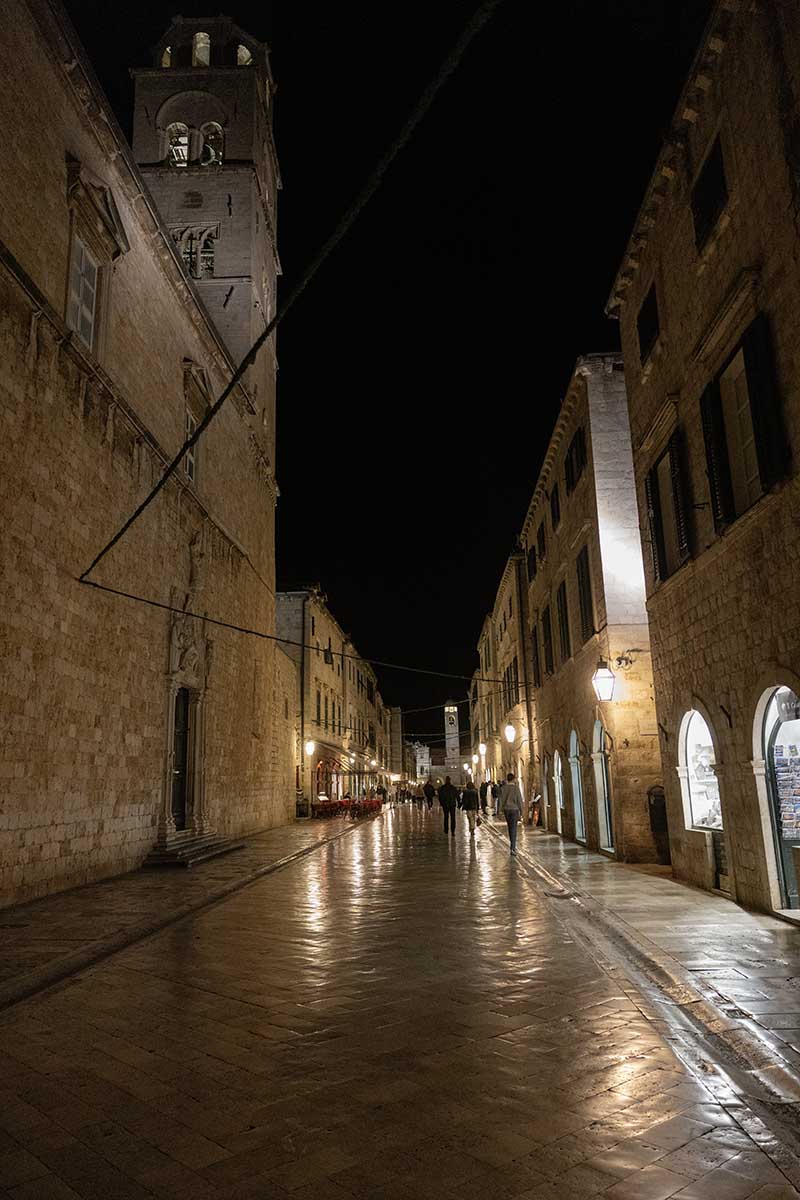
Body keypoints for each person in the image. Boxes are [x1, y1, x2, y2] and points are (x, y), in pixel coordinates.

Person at [501, 772, 524, 855]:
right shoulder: (516, 788)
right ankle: (513, 848)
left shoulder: (503, 788)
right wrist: (522, 811)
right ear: (514, 779)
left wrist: (501, 810)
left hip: (506, 810)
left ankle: (512, 846)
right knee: (513, 828)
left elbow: (501, 800)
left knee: (510, 827)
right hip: (514, 810)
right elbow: (519, 800)